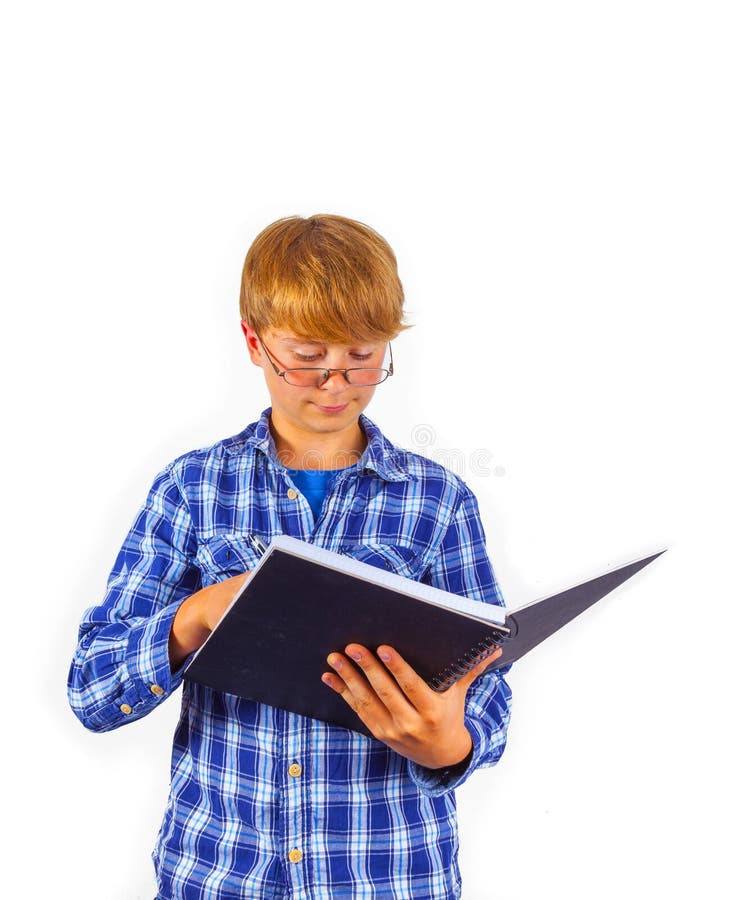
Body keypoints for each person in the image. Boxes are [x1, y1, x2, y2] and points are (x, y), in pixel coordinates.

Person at [68, 214, 512, 899]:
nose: (336, 384)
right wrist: (197, 614)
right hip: (220, 876)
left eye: (362, 356)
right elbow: (92, 691)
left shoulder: (439, 500)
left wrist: (452, 746)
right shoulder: (192, 489)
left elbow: (489, 681)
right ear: (254, 342)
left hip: (389, 877)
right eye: (306, 356)